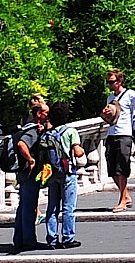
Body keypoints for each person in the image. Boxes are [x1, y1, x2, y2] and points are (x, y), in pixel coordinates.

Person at [38, 100, 81, 249]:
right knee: (68, 207)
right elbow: (77, 152)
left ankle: (52, 239)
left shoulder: (47, 133)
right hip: (67, 172)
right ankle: (68, 238)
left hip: (51, 173)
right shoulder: (70, 131)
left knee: (52, 207)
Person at [104, 68, 135, 212]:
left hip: (124, 134)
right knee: (112, 168)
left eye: (112, 82)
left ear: (119, 81)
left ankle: (122, 200)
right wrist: (104, 114)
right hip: (111, 133)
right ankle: (126, 195)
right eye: (108, 83)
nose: (109, 85)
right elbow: (107, 118)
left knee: (122, 167)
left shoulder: (129, 94)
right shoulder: (110, 98)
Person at [9, 109, 44, 252]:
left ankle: (19, 239)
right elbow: (22, 144)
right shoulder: (32, 130)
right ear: (39, 115)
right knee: (29, 206)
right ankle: (28, 241)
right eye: (46, 112)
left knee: (23, 205)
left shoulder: (26, 128)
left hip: (22, 172)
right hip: (28, 172)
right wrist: (31, 159)